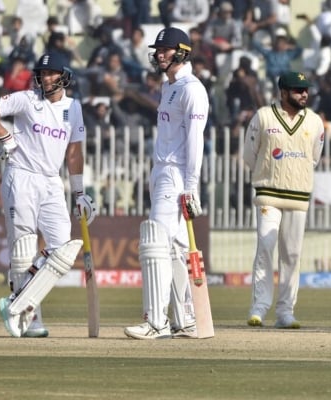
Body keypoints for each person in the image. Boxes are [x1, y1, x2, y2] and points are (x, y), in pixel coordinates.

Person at [0, 53, 96, 338]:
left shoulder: (73, 108)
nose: (46, 78)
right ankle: (30, 319)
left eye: (52, 73)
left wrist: (79, 193)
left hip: (53, 182)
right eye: (42, 73)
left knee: (62, 248)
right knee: (23, 247)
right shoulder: (27, 99)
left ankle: (17, 299)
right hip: (22, 176)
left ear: (64, 75)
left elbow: (74, 152)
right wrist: (6, 137)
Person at [123, 27, 209, 340]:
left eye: (167, 49)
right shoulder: (168, 85)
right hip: (161, 170)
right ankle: (185, 318)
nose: (160, 54)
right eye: (158, 49)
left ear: (183, 51)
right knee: (173, 249)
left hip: (176, 174)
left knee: (155, 242)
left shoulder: (192, 89)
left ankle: (156, 321)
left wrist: (191, 186)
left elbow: (195, 141)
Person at [243, 71, 325, 329]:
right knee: (266, 247)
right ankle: (259, 307)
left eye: (306, 90)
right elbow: (249, 155)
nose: (304, 94)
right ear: (283, 92)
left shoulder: (314, 122)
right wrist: (267, 175)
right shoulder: (264, 116)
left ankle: (285, 311)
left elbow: (314, 158)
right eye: (298, 90)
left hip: (298, 195)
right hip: (268, 192)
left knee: (292, 253)